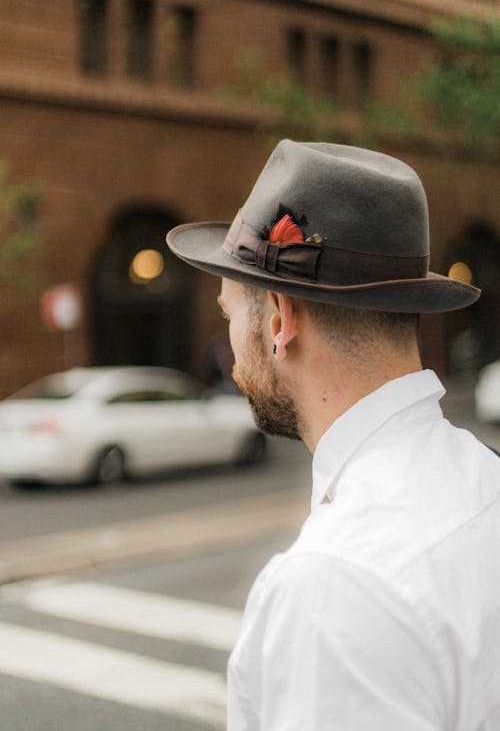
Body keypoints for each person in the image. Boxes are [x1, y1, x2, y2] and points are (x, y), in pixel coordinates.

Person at [167, 140, 500, 729]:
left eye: (228, 316)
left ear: (278, 318)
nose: (233, 362)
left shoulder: (333, 588)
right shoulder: (485, 478)